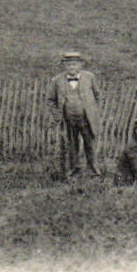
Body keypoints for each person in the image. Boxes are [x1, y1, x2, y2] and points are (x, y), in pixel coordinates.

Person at [46, 50, 104, 179]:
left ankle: (94, 172)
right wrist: (56, 115)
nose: (72, 67)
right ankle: (74, 171)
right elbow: (50, 100)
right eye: (69, 65)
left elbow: (98, 96)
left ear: (80, 65)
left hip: (87, 118)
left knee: (90, 145)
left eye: (74, 64)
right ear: (64, 66)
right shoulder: (57, 81)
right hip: (68, 120)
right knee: (72, 146)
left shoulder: (90, 77)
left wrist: (95, 111)